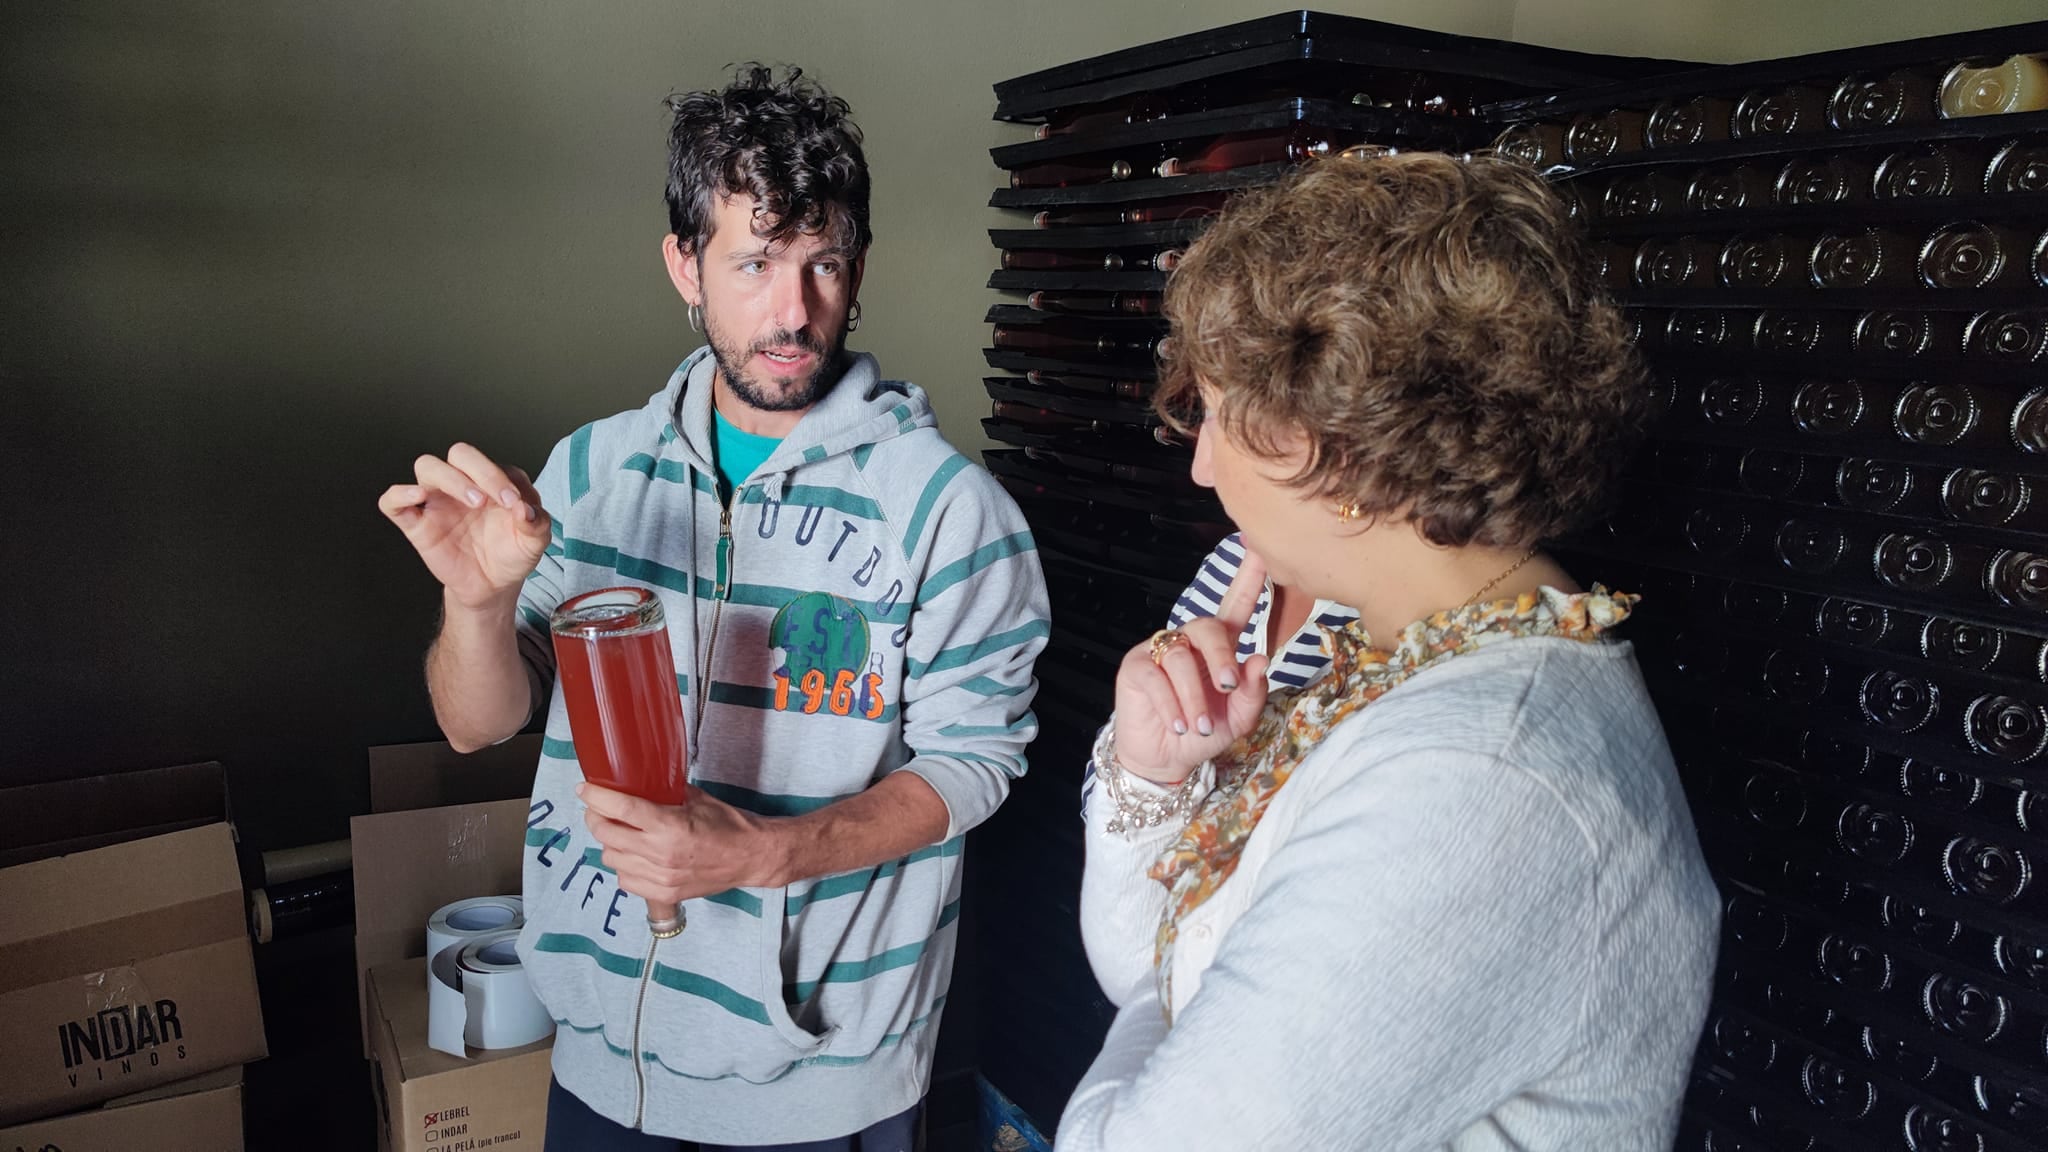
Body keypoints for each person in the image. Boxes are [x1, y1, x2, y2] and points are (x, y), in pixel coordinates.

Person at [378, 65, 1049, 1151]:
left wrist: (760, 856)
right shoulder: (591, 471)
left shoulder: (948, 512)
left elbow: (973, 766)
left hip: (822, 1080)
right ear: (682, 266)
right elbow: (474, 721)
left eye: (822, 264)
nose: (793, 312)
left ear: (857, 267)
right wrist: (477, 603)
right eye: (752, 265)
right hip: (601, 1056)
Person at [1061, 152, 1719, 1150]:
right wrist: (1154, 778)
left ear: (1338, 445)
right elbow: (1153, 968)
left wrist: (1156, 1034)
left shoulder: (1478, 780)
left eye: (1215, 413)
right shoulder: (1400, 660)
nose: (1198, 464)